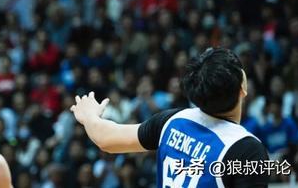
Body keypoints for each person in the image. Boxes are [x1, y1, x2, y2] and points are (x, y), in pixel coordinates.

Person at [71, 48, 270, 187]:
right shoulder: (247, 150)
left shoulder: (172, 121)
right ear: (243, 87)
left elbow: (106, 139)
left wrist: (89, 116)